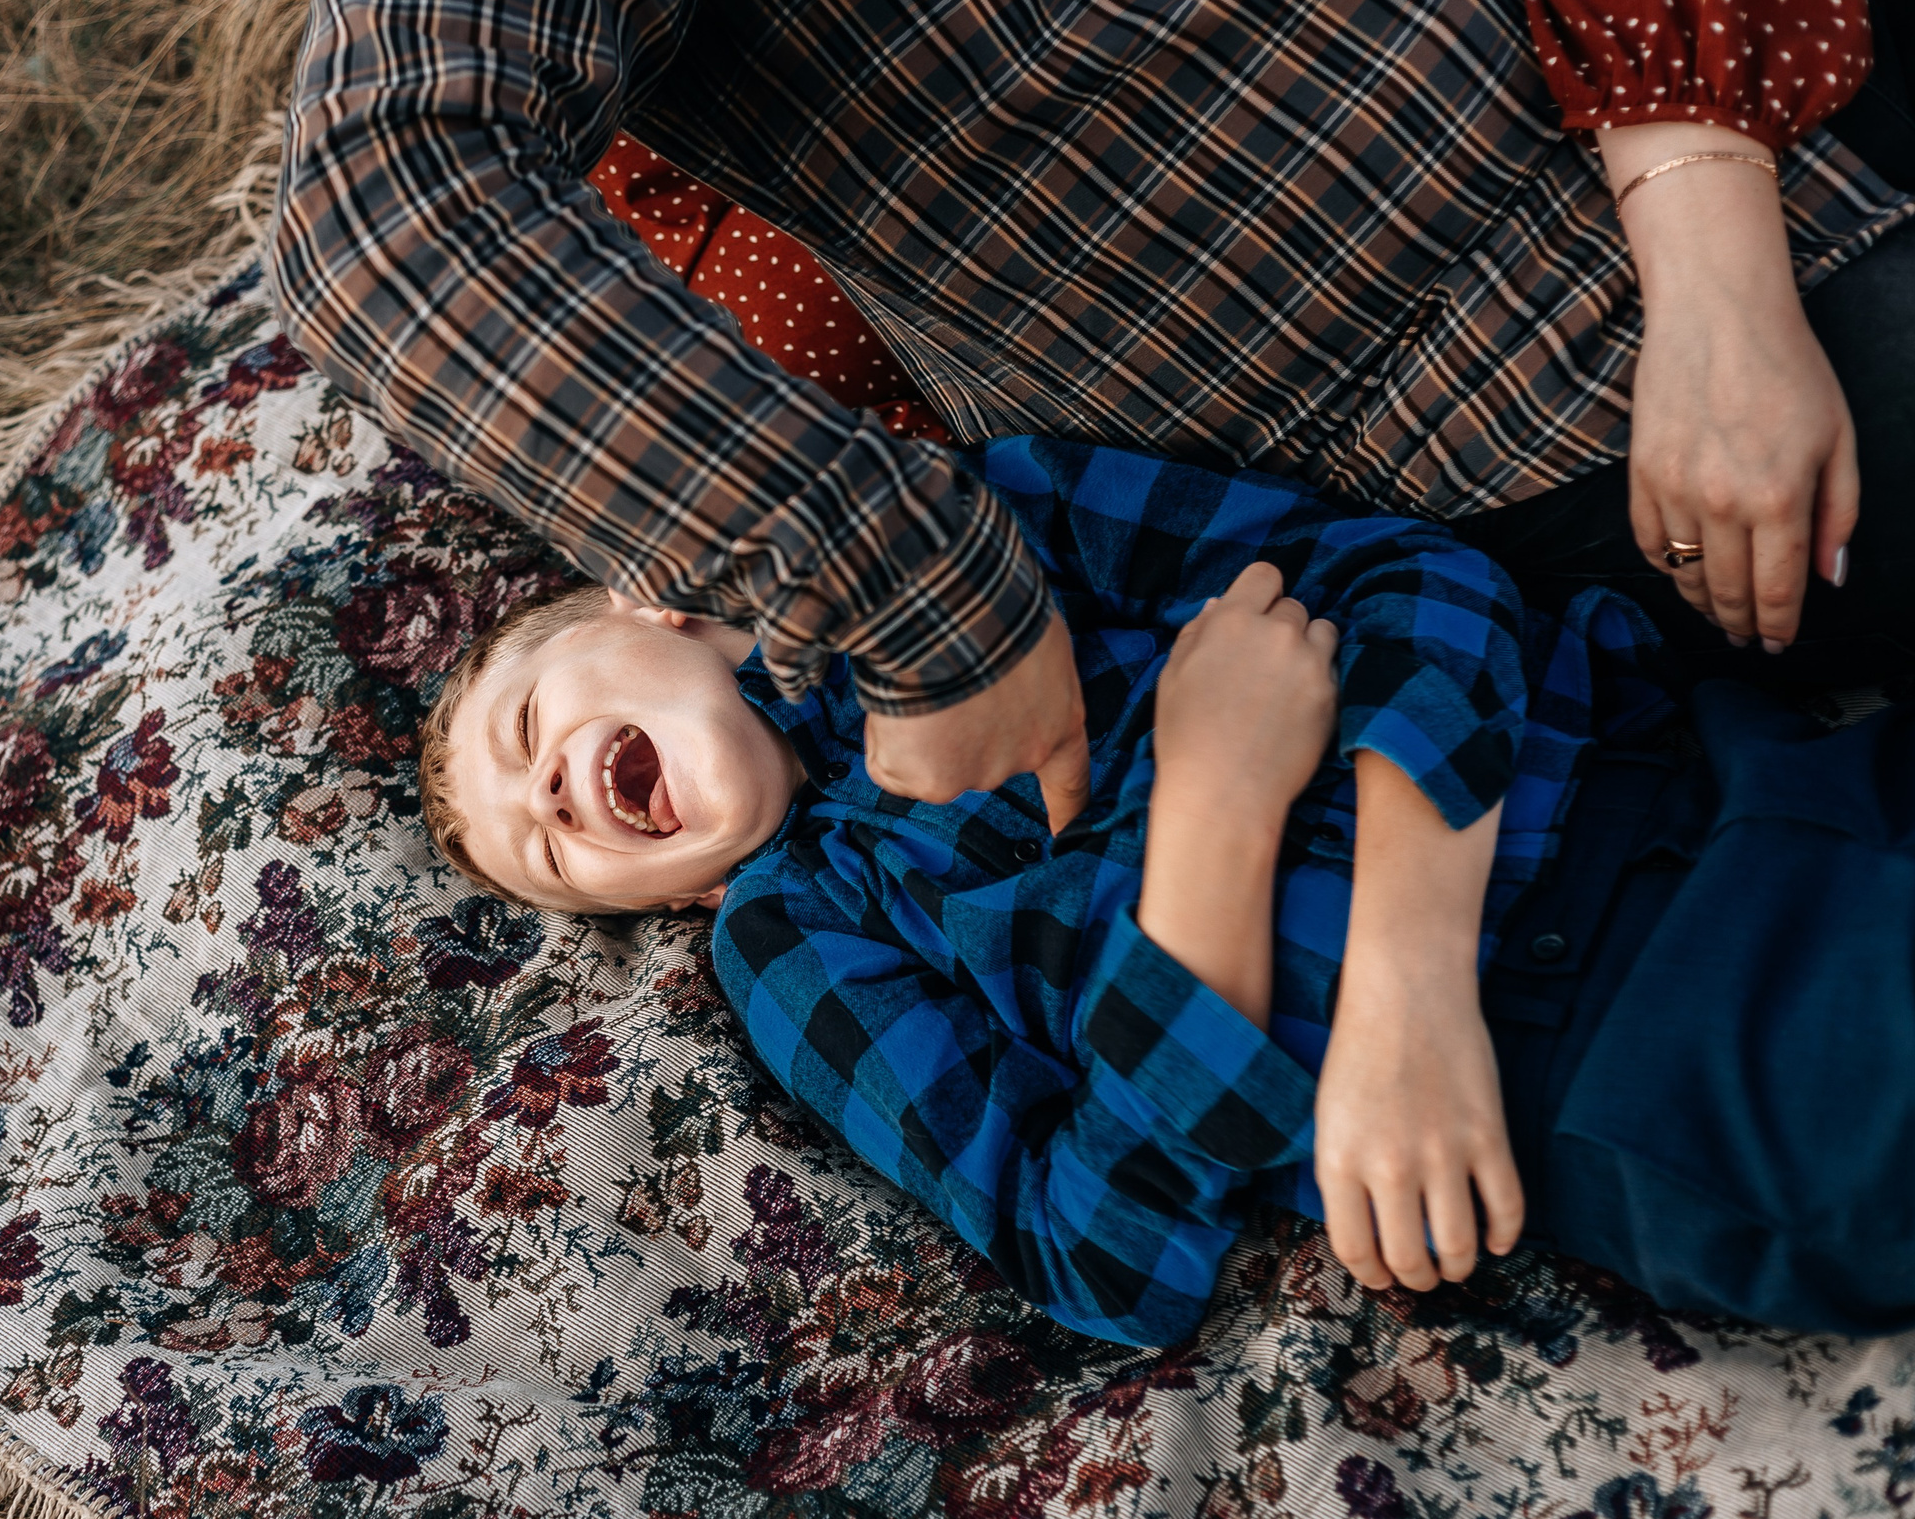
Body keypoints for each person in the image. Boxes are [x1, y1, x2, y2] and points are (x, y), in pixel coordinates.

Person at [275, 0, 1913, 839]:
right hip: (1542, 353)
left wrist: (1713, 242)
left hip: (1697, 30)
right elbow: (384, 203)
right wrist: (923, 600)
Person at [413, 434, 1915, 1347]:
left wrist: (1403, 974)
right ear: (672, 905)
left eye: (529, 727)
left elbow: (1418, 580)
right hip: (1592, 1038)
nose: (551, 795)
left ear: (646, 600)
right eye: (552, 858)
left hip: (1672, 768)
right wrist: (1212, 812)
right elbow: (1100, 1251)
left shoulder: (967, 528)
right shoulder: (796, 940)